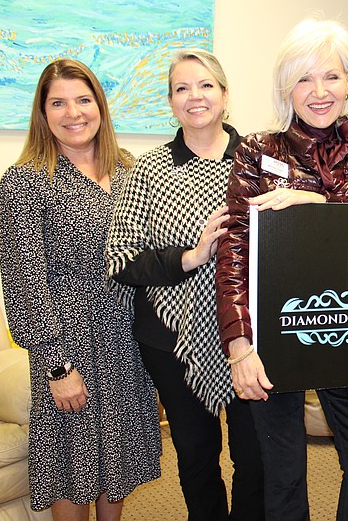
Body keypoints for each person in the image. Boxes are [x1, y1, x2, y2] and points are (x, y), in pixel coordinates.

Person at [215, 18, 348, 521]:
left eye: (331, 76)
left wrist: (316, 202)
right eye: (304, 78)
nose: (319, 92)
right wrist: (239, 346)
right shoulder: (257, 149)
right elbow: (234, 251)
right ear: (286, 87)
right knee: (284, 475)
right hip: (275, 332)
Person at [0, 59, 161, 520]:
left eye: (83, 100)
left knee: (119, 461)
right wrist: (57, 366)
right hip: (69, 345)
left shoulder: (128, 168)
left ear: (100, 106)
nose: (74, 113)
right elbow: (25, 284)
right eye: (58, 103)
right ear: (42, 113)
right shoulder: (25, 181)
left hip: (127, 342)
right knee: (73, 465)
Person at [105, 49, 265, 521]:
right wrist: (191, 257)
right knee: (196, 458)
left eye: (206, 85)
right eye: (182, 88)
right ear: (171, 102)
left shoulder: (261, 161)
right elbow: (121, 259)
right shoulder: (148, 170)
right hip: (173, 341)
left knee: (257, 456)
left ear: (225, 95)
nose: (195, 96)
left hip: (251, 335)